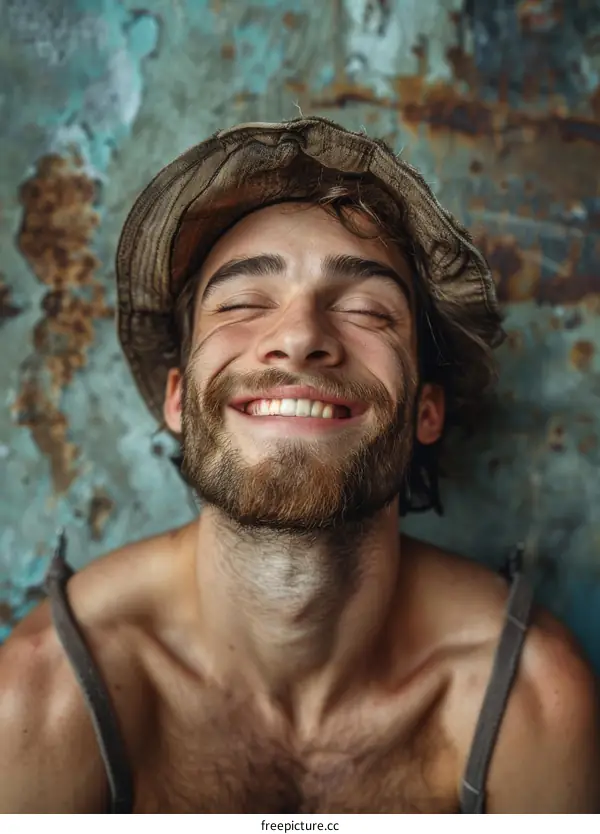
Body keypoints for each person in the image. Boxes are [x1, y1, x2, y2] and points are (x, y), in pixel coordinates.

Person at [1, 118, 598, 814]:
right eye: (243, 304)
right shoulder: (41, 697)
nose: (299, 336)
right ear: (176, 398)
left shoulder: (533, 697)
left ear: (426, 411)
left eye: (367, 310)